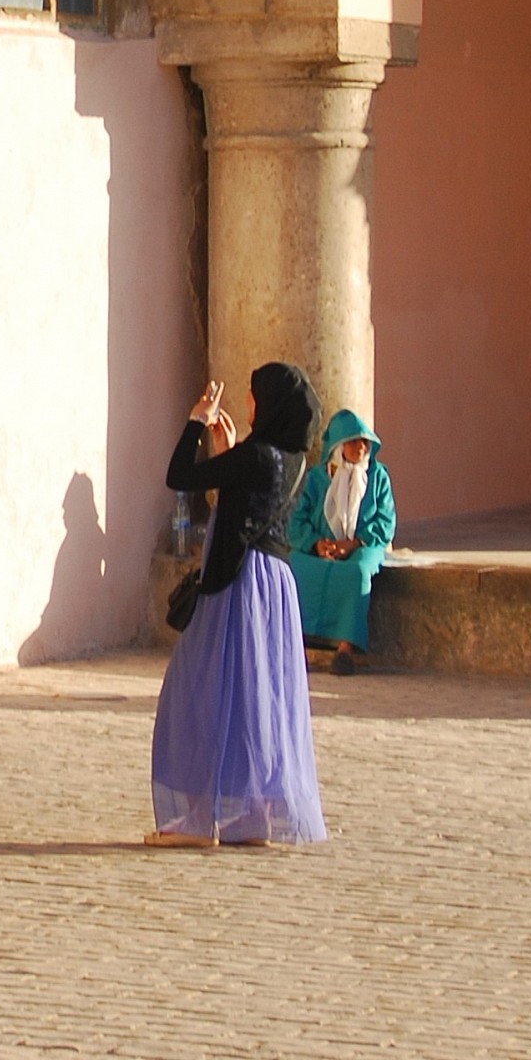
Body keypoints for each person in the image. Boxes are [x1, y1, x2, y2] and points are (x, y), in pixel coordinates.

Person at [147, 362, 327, 848]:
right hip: (274, 587)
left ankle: (199, 817)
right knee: (256, 699)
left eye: (253, 394)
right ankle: (253, 815)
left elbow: (179, 475)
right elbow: (241, 503)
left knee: (203, 691)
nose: (248, 402)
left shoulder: (258, 456)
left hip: (239, 582)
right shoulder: (292, 460)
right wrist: (229, 453)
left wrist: (197, 421)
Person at [287, 408, 395, 676]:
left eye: (363, 442)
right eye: (352, 442)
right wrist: (316, 543)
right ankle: (297, 646)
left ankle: (345, 649)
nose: (360, 448)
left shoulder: (378, 477)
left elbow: (385, 522)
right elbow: (297, 521)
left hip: (362, 546)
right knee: (298, 567)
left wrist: (354, 543)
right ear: (338, 446)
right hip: (321, 547)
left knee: (356, 573)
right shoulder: (317, 478)